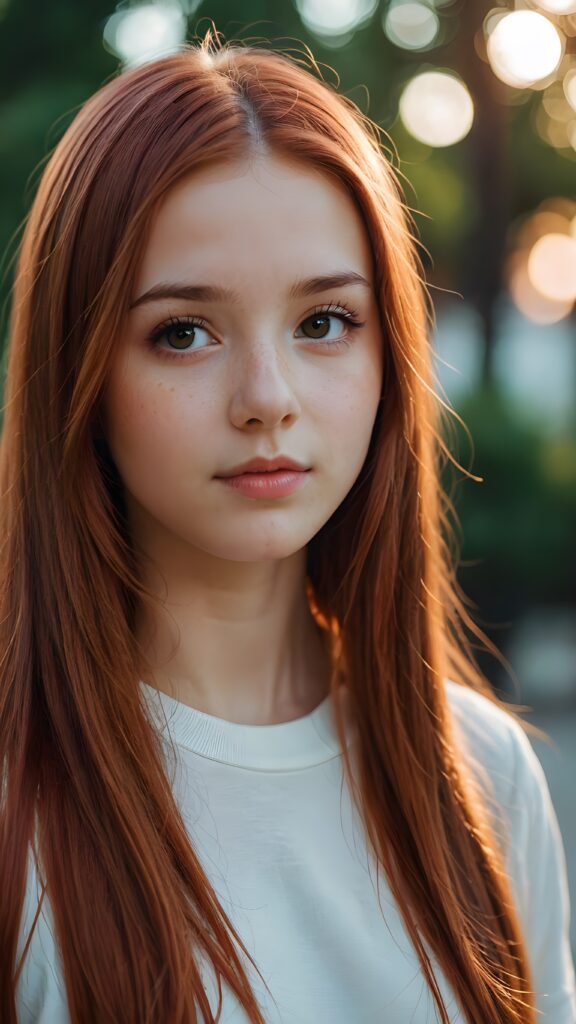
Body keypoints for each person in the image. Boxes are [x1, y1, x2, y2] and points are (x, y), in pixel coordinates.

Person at [1, 29, 574, 1024]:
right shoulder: (21, 813)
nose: (267, 398)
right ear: (81, 376)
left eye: (324, 323)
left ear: (388, 355)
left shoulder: (481, 776)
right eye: (183, 331)